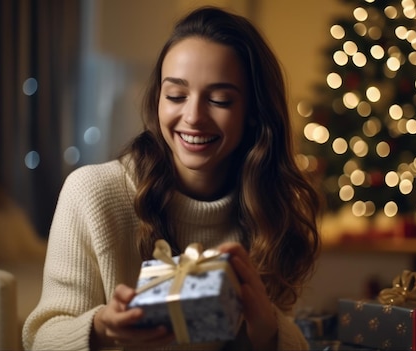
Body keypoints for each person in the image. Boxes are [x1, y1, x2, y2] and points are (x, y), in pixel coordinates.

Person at [23, 5, 321, 351]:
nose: (192, 117)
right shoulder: (93, 192)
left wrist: (268, 330)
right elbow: (40, 340)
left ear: (254, 113)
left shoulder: (271, 211)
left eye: (220, 100)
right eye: (176, 95)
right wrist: (102, 329)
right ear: (158, 100)